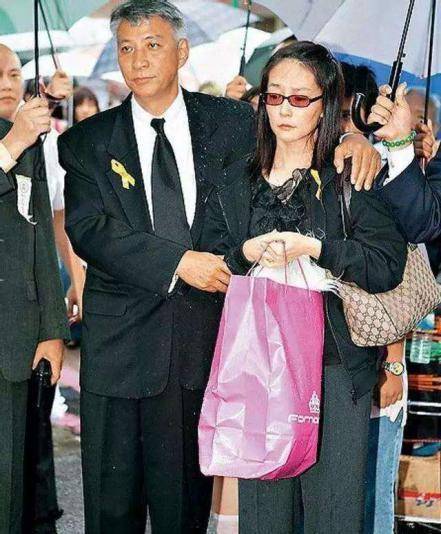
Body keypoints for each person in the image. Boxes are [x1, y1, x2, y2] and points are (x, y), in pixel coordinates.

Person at [202, 41, 408, 534]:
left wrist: (317, 248)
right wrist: (243, 255)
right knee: (264, 514)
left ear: (325, 104)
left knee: (332, 514)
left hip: (334, 365)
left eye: (300, 99)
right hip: (258, 363)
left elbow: (386, 266)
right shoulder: (236, 179)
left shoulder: (350, 173)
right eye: (274, 97)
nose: (284, 110)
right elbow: (212, 262)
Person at [0, 45, 68, 533]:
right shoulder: (18, 138)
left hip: (17, 338)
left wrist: (52, 329)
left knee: (11, 482)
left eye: (13, 73)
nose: (6, 83)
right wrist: (11, 146)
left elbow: (42, 232)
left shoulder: (29, 138)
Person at [340, 62, 408, 534]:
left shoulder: (382, 170)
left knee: (371, 493)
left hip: (379, 359)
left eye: (349, 113)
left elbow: (399, 276)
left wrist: (395, 364)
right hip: (333, 361)